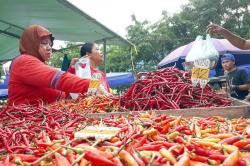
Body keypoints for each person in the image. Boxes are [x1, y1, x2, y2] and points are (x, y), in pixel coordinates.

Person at [8, 25, 92, 106]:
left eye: (50, 44)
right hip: (24, 118)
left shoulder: (40, 64)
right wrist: (91, 85)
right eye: (44, 43)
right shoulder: (24, 62)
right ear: (31, 43)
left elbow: (64, 92)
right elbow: (59, 79)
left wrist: (72, 70)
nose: (49, 48)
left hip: (42, 117)